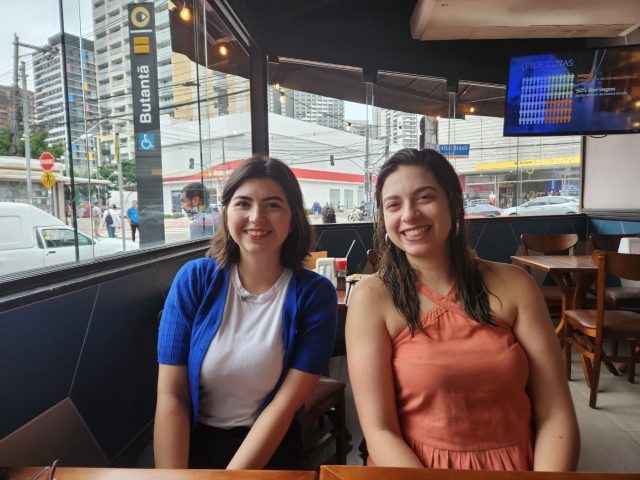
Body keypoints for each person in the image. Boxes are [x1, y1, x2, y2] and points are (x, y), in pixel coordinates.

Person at [346, 148, 579, 471]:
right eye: (394, 204)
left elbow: (556, 413)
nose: (409, 214)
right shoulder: (371, 297)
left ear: (454, 203)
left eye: (424, 197)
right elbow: (379, 430)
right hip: (412, 472)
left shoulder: (516, 285)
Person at [155, 156, 338, 470]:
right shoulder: (194, 280)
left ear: (293, 217)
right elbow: (173, 396)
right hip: (191, 443)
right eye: (243, 204)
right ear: (226, 213)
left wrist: (230, 479)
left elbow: (283, 407)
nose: (256, 217)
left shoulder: (315, 295)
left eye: (272, 205)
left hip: (270, 447)